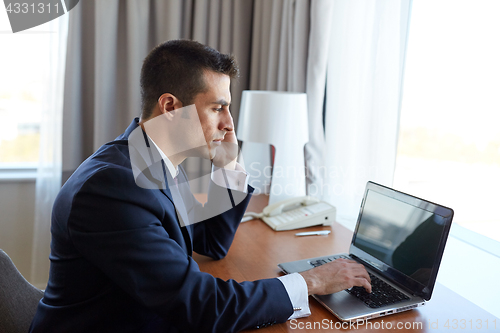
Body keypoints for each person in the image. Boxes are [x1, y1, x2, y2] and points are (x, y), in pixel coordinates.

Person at [29, 40, 371, 333]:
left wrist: (228, 167)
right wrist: (311, 282)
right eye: (217, 107)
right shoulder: (112, 188)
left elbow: (210, 243)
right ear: (171, 108)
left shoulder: (151, 159)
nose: (228, 123)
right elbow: (202, 307)